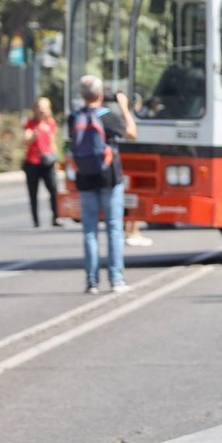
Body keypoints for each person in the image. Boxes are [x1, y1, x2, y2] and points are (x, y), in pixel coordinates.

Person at [71, 76, 137, 294]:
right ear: (101, 94)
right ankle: (116, 279)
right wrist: (125, 108)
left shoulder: (74, 117)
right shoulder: (108, 117)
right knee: (114, 228)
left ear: (82, 95)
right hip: (109, 178)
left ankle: (91, 282)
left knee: (89, 231)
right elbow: (132, 134)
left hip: (85, 179)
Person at [21, 97, 61, 229]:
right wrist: (34, 135)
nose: (42, 109)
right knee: (33, 193)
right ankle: (35, 220)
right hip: (33, 162)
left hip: (47, 162)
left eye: (44, 107)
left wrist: (56, 159)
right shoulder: (31, 124)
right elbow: (26, 139)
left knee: (53, 190)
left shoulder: (51, 123)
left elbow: (52, 142)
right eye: (40, 107)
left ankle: (56, 217)